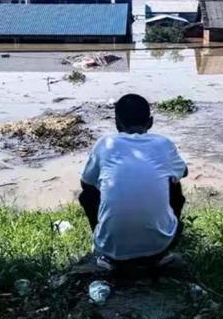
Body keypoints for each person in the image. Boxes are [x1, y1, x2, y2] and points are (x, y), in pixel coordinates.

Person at [79, 94, 187, 269]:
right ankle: (161, 252)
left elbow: (86, 182)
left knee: (87, 194)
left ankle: (105, 248)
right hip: (159, 246)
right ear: (150, 122)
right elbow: (184, 171)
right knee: (174, 183)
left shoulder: (105, 144)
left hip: (111, 249)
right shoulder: (163, 143)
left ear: (116, 123)